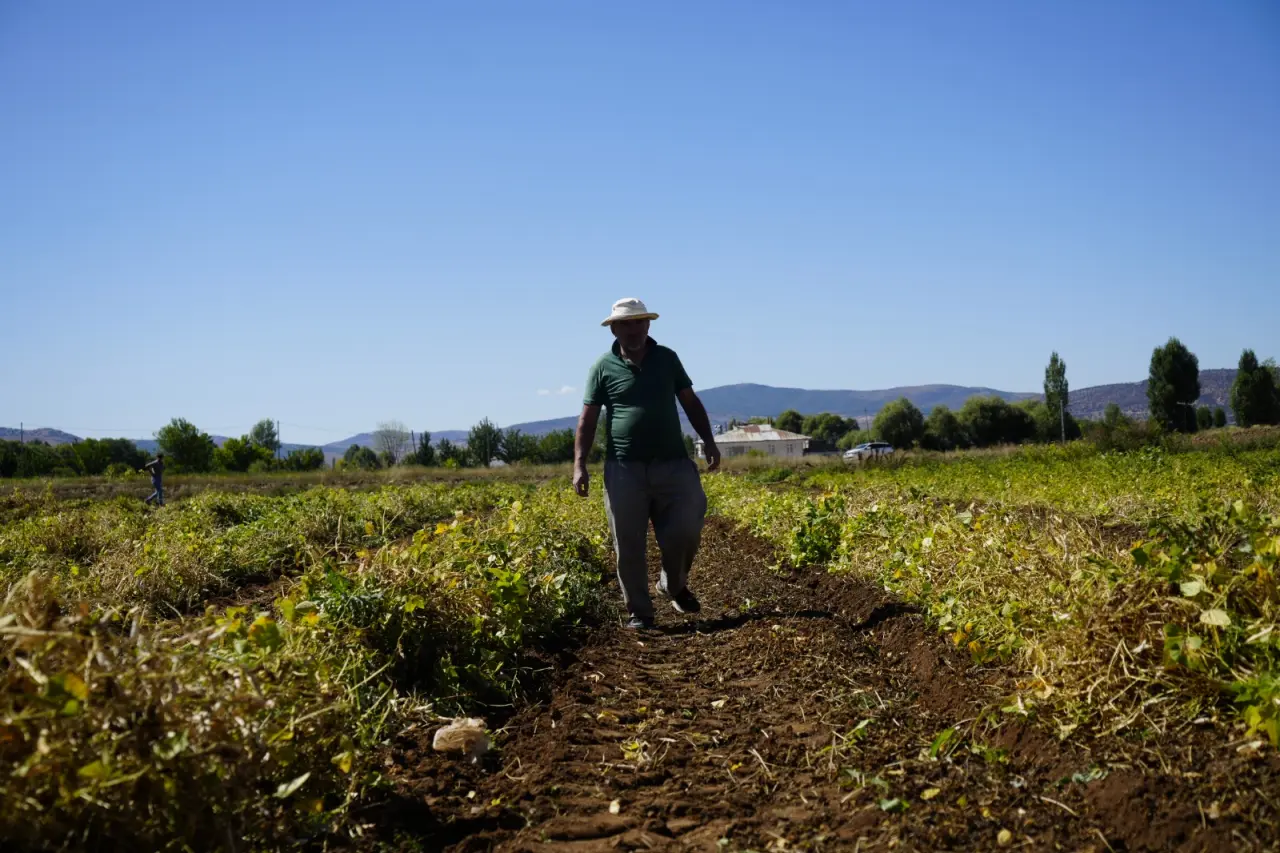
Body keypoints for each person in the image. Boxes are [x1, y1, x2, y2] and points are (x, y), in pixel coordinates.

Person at [574, 298, 722, 629]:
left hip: (673, 464)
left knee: (686, 526)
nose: (633, 329)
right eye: (625, 324)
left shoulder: (667, 359)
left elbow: (690, 402)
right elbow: (587, 419)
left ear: (648, 325)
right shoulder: (602, 367)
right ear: (613, 328)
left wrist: (710, 441)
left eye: (638, 322)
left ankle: (673, 585)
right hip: (624, 469)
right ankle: (640, 612)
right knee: (627, 542)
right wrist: (579, 464)